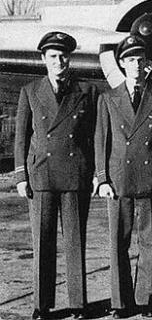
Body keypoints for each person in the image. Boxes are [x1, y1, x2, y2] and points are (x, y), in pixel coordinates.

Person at [13, 31, 98, 320]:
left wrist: (97, 173)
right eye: (53, 56)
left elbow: (94, 136)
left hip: (75, 175)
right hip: (41, 175)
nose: (59, 61)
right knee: (43, 242)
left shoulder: (87, 91)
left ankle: (77, 303)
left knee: (75, 242)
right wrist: (20, 176)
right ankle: (42, 305)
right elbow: (21, 138)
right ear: (43, 59)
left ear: (69, 58)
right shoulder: (30, 91)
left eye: (63, 56)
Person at [94, 35, 152, 318]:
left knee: (149, 243)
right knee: (119, 243)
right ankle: (120, 302)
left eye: (141, 60)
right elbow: (100, 140)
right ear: (123, 64)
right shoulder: (108, 99)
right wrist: (102, 178)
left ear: (148, 63)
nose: (137, 65)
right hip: (118, 181)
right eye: (130, 60)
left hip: (149, 181)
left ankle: (146, 300)